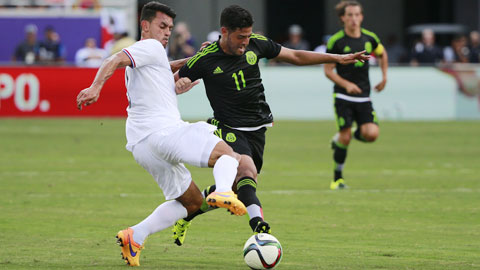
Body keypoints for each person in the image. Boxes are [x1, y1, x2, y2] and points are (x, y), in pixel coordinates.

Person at [172, 4, 369, 246]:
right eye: (239, 37)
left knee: (237, 188)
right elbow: (171, 85)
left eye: (247, 36)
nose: (245, 42)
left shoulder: (256, 43)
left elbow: (295, 56)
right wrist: (178, 87)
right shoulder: (204, 58)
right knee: (246, 171)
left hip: (257, 128)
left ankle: (188, 213)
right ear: (224, 31)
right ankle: (259, 227)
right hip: (227, 127)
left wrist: (337, 58)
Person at [75, 2, 247, 266]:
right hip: (163, 132)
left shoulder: (151, 56)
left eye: (170, 27)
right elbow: (114, 58)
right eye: (162, 26)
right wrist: (95, 87)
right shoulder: (150, 46)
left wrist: (195, 63)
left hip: (142, 145)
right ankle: (223, 191)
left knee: (191, 202)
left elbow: (165, 69)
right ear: (145, 26)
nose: (167, 32)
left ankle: (135, 235)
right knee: (228, 155)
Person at [324, 0, 388, 190]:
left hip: (364, 96)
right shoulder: (336, 41)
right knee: (345, 139)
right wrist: (347, 84)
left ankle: (345, 134)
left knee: (372, 134)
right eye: (350, 15)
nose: (354, 19)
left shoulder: (370, 38)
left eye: (357, 14)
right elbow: (328, 70)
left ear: (361, 17)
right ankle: (337, 179)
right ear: (343, 18)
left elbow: (382, 54)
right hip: (343, 96)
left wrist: (384, 77)